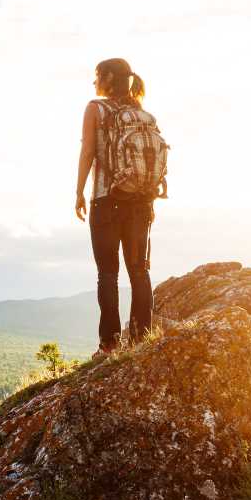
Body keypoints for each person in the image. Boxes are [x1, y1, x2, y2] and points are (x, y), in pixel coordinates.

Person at [75, 57, 154, 358]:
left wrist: (79, 191)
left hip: (107, 201)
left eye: (96, 76)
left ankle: (109, 345)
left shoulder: (96, 108)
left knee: (108, 274)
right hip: (141, 202)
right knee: (139, 271)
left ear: (108, 77)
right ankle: (141, 340)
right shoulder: (140, 112)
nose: (94, 83)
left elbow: (87, 152)